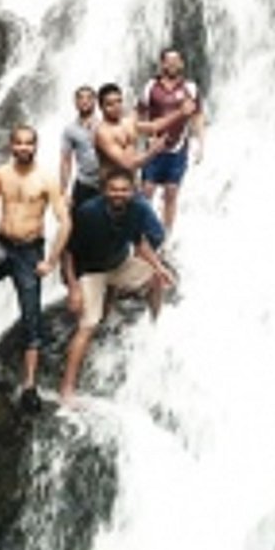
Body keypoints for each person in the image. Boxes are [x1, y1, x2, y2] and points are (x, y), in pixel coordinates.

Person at [0, 125, 72, 413]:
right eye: (18, 143)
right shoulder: (1, 174)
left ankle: (29, 386)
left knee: (31, 315)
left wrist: (51, 260)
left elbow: (65, 221)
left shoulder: (46, 179)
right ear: (11, 145)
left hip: (30, 253)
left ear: (36, 146)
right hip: (1, 247)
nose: (23, 148)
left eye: (28, 143)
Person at [59, 166, 174, 405]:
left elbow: (140, 242)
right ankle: (67, 389)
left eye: (124, 190)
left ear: (133, 191)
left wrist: (160, 268)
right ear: (104, 191)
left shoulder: (138, 208)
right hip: (91, 271)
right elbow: (68, 252)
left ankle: (156, 325)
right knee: (88, 325)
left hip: (119, 264)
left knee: (155, 278)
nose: (119, 194)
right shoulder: (88, 212)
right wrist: (73, 288)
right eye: (113, 190)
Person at [137, 48, 205, 233]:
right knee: (146, 192)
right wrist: (139, 138)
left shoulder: (190, 87)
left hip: (178, 149)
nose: (173, 64)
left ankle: (166, 235)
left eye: (176, 61)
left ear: (181, 63)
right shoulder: (150, 86)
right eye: (169, 61)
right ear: (162, 64)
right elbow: (140, 113)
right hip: (153, 148)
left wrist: (201, 144)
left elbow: (197, 116)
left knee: (171, 193)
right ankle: (143, 234)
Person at [94, 82, 193, 179]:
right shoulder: (103, 133)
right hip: (112, 188)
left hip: (132, 184)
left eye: (119, 101)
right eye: (110, 104)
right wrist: (153, 151)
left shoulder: (128, 122)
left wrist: (180, 112)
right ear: (100, 107)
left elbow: (154, 126)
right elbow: (127, 163)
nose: (116, 107)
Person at [60, 85, 101, 208]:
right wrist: (63, 191)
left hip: (106, 183)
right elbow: (66, 161)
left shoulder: (104, 124)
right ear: (75, 102)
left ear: (95, 101)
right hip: (84, 183)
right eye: (81, 98)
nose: (85, 101)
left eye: (89, 98)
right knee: (77, 223)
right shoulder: (70, 130)